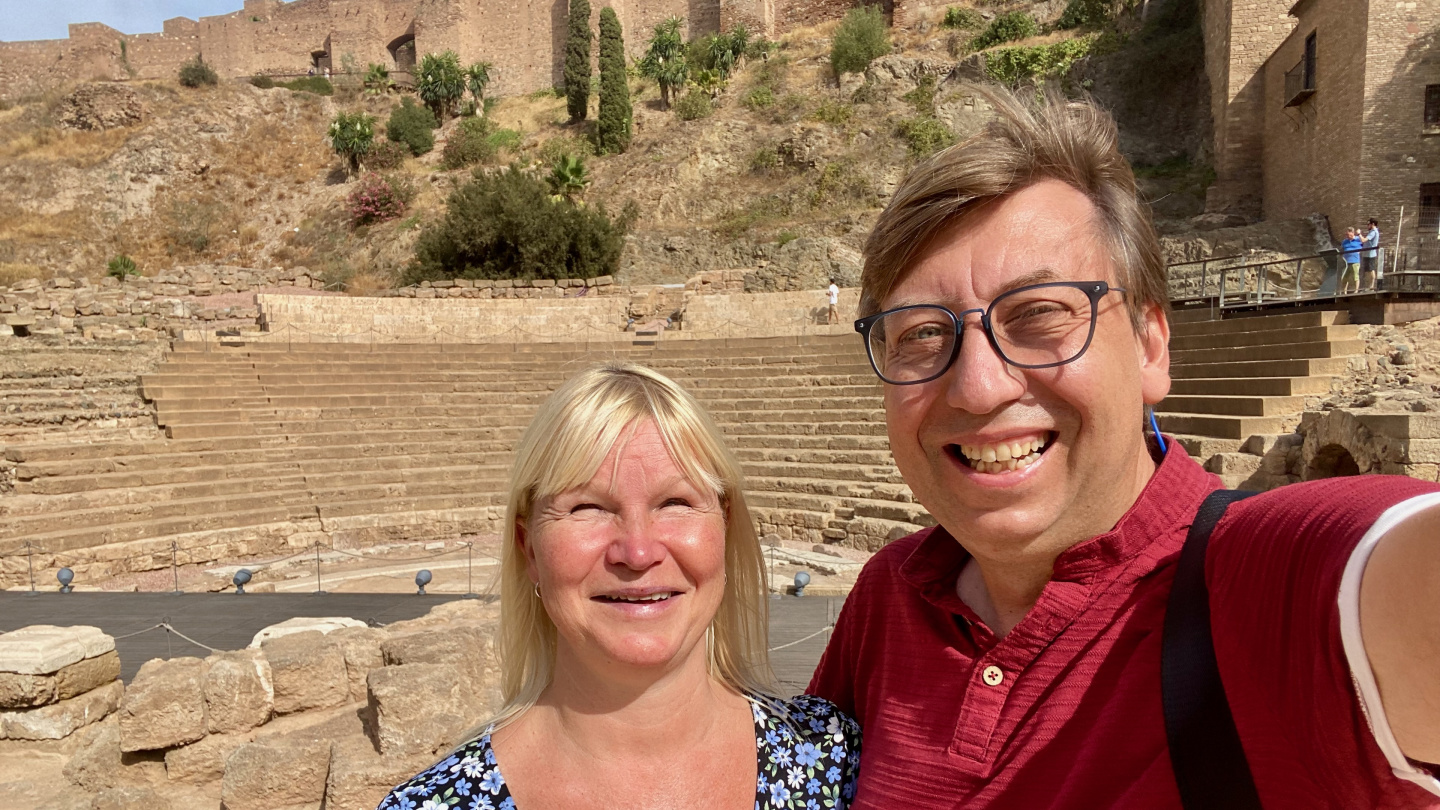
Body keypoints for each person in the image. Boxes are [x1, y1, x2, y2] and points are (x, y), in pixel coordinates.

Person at [807, 87, 1440, 809]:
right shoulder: (893, 595)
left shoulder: (1263, 582)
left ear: (1150, 344)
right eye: (921, 332)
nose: (977, 388)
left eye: (1039, 314)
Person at [378, 363, 861, 810]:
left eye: (675, 501)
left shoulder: (841, 764)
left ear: (724, 528)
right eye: (587, 508)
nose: (637, 552)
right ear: (529, 549)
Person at [1340, 226, 1363, 294]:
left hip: (1355, 261)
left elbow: (1364, 244)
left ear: (1353, 233)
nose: (1347, 236)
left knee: (1355, 275)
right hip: (1346, 261)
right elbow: (1342, 249)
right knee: (1345, 277)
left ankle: (1356, 290)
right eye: (1346, 235)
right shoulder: (1344, 241)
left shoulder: (1358, 239)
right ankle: (1344, 291)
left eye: (1348, 234)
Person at [1362, 217, 1382, 290]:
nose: (1368, 226)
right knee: (1368, 269)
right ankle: (1368, 285)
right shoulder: (1372, 232)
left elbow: (1364, 240)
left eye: (1369, 224)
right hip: (1367, 253)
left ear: (1372, 224)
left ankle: (1372, 285)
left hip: (1370, 254)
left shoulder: (1373, 232)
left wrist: (1359, 234)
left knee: (1371, 269)